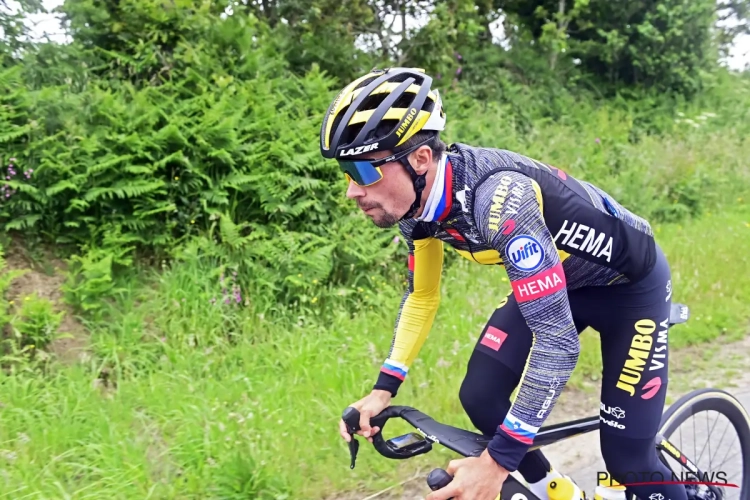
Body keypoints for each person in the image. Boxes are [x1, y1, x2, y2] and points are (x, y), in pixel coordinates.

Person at [321, 67, 687, 500]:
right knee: (480, 396)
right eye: (347, 171)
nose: (351, 190)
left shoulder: (499, 199)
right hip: (559, 281)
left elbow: (557, 343)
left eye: (363, 171)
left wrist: (496, 464)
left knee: (629, 461)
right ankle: (558, 491)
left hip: (629, 289)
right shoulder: (415, 210)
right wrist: (383, 390)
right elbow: (422, 296)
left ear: (419, 159)